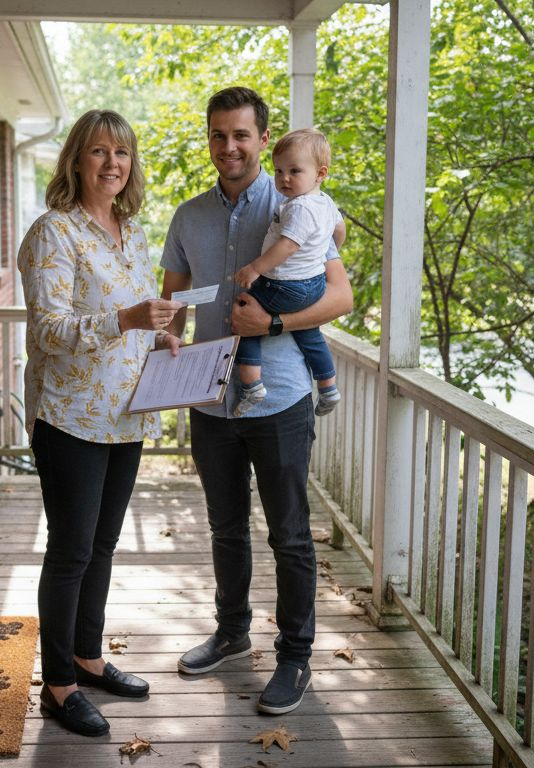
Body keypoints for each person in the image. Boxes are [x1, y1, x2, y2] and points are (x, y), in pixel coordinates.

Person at [158, 87, 353, 715]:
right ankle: (233, 632)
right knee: (224, 528)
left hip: (282, 400)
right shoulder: (188, 216)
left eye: (241, 135)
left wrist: (269, 327)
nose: (229, 147)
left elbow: (340, 299)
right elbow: (175, 300)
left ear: (262, 140)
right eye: (218, 135)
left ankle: (294, 656)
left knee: (290, 536)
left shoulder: (300, 201)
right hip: (210, 401)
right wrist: (168, 336)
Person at [18, 109, 183, 737]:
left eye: (123, 152)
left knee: (103, 547)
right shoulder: (53, 233)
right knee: (70, 552)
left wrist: (159, 338)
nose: (112, 163)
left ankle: (88, 657)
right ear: (76, 160)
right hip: (69, 419)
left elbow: (142, 319)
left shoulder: (132, 232)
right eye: (98, 151)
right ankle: (58, 683)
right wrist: (128, 321)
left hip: (126, 416)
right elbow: (49, 332)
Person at [232, 127, 345, 417]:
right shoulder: (326, 203)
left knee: (246, 319)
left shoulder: (300, 208)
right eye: (279, 170)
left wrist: (255, 268)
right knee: (309, 333)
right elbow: (339, 231)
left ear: (320, 173)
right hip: (314, 283)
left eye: (295, 171)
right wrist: (322, 252)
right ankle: (329, 387)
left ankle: (252, 386)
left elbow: (287, 246)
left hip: (284, 285)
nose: (284, 178)